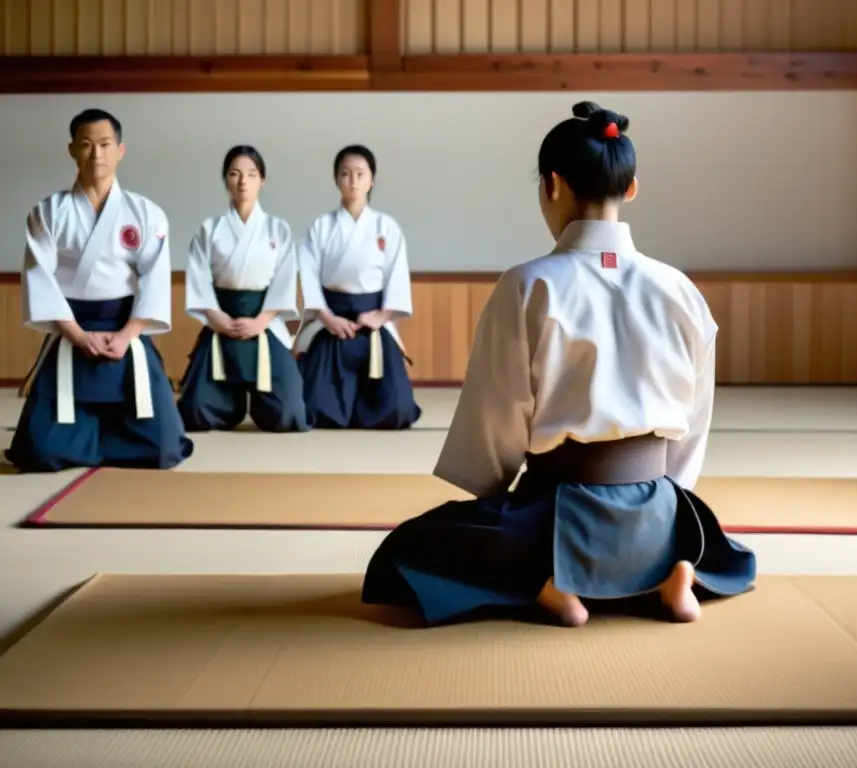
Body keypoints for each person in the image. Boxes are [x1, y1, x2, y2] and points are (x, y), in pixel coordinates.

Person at [361, 101, 756, 627]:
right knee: (711, 538)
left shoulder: (529, 285)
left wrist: (492, 492)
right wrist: (668, 490)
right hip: (661, 512)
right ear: (631, 188)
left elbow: (497, 426)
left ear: (551, 185)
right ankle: (671, 569)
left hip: (559, 510)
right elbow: (693, 420)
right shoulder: (679, 289)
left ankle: (544, 586)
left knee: (410, 550)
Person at [5, 108, 194, 472]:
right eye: (87, 145)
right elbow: (39, 277)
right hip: (70, 332)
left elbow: (154, 280)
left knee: (164, 450)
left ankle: (95, 435)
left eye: (105, 144)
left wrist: (127, 335)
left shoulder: (145, 212)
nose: (97, 155)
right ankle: (96, 433)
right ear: (72, 150)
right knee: (40, 453)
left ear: (120, 150)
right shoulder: (47, 212)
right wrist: (76, 334)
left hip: (126, 334)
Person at [176, 145, 310, 433]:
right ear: (226, 179)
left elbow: (284, 282)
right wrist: (218, 319)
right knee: (197, 412)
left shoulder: (278, 229)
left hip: (264, 322)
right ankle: (228, 405)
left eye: (251, 174)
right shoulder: (209, 229)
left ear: (262, 180)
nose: (242, 181)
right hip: (221, 322)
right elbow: (199, 280)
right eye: (235, 174)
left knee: (288, 414)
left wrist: (261, 321)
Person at [293, 145, 421, 429]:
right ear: (336, 179)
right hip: (331, 322)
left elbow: (397, 277)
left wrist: (381, 316)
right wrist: (327, 317)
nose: (353, 181)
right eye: (345, 174)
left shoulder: (386, 227)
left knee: (396, 410)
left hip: (373, 323)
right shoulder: (320, 227)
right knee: (314, 409)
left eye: (360, 174)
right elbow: (309, 278)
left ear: (371, 180)